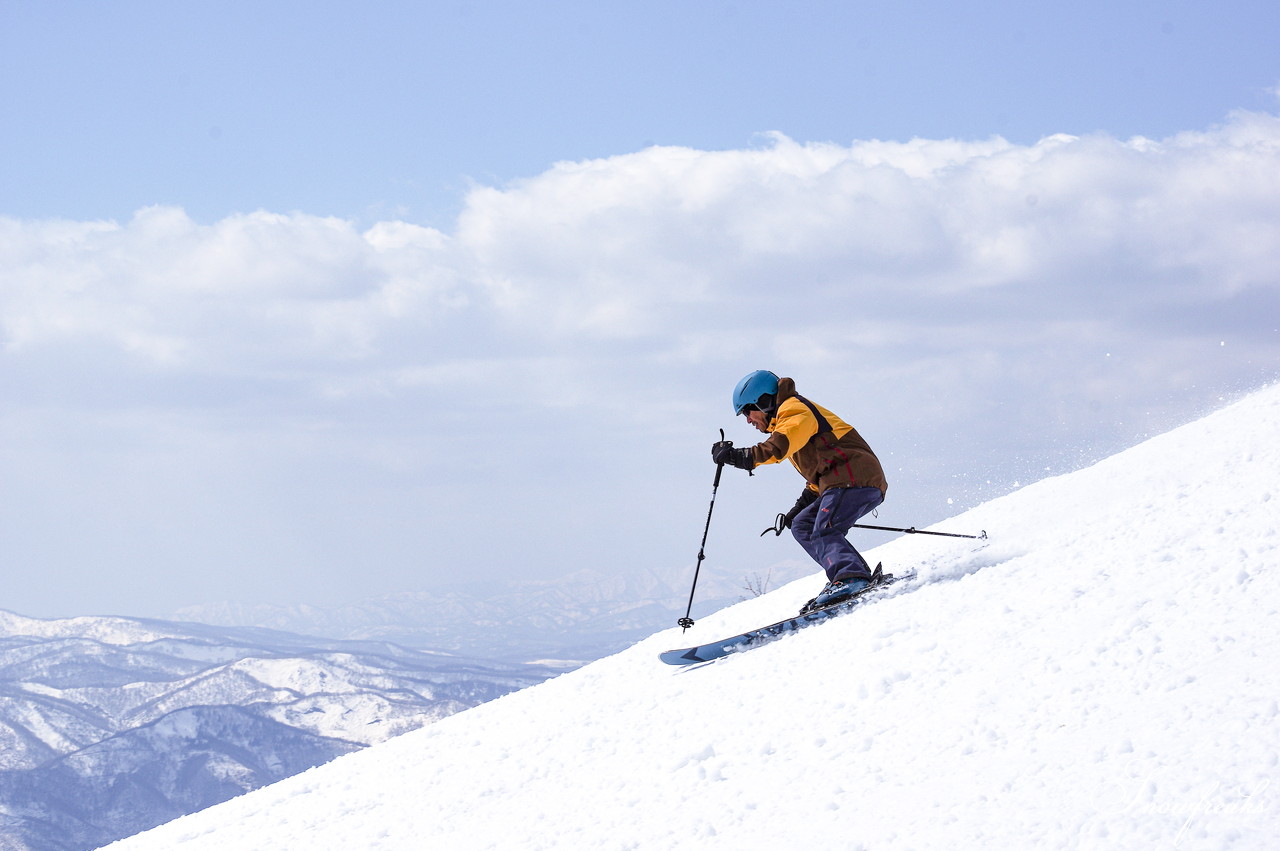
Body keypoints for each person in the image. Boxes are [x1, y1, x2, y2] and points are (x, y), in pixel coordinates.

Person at [711, 370, 889, 612]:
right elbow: (819, 475)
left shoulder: (794, 410)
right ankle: (851, 576)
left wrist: (739, 456)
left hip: (853, 477)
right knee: (803, 525)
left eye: (747, 412)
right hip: (843, 480)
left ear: (763, 402)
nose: (748, 421)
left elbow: (778, 448)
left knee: (824, 530)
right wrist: (798, 509)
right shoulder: (788, 421)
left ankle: (850, 578)